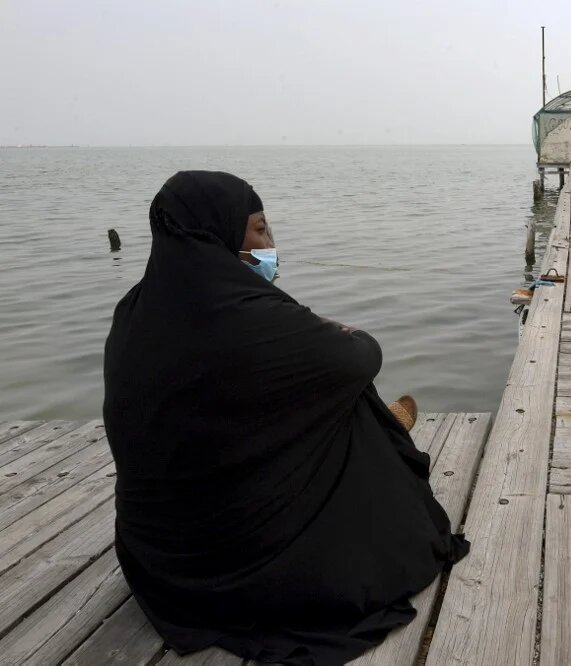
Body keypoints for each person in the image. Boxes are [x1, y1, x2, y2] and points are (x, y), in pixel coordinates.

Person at [103, 171, 467, 664]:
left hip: (161, 563)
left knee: (301, 387)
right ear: (219, 235)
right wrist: (343, 334)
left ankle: (390, 427)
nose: (270, 242)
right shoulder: (253, 317)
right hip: (247, 566)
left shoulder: (134, 308)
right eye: (260, 229)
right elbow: (363, 357)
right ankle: (390, 429)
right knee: (346, 392)